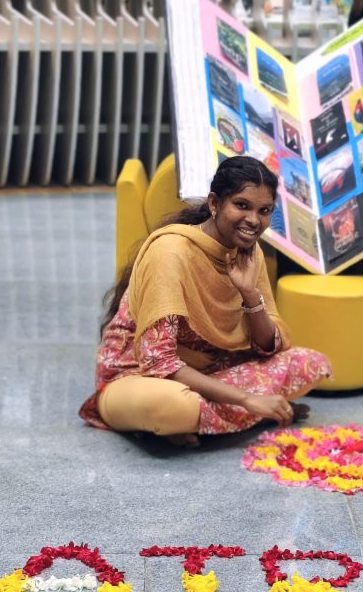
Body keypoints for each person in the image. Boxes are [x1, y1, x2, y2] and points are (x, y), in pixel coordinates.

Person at [79, 156, 331, 443]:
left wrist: (250, 295)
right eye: (242, 205)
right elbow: (158, 363)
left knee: (309, 364)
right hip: (138, 377)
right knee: (176, 405)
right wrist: (247, 399)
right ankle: (228, 414)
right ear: (214, 203)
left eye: (264, 211)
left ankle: (191, 422)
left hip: (211, 370)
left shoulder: (249, 252)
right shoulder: (170, 253)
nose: (253, 220)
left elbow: (265, 348)